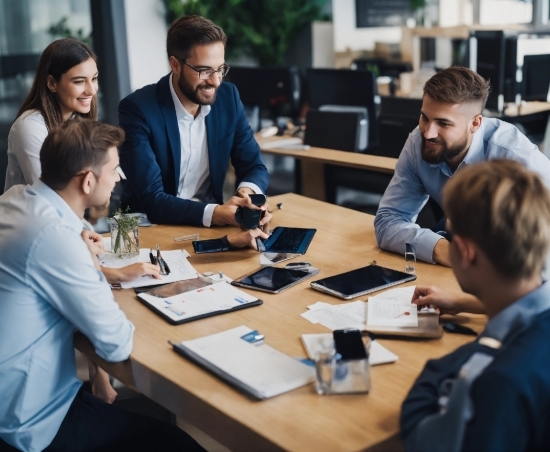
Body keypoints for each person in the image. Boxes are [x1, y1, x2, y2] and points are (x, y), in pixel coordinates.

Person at [0, 119, 203, 452]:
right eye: (115, 169)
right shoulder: (56, 239)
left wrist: (79, 241)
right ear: (88, 180)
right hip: (30, 423)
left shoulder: (16, 198)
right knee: (174, 442)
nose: (119, 177)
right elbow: (116, 344)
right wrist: (88, 260)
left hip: (17, 393)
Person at [401, 159, 550, 451]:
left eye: (448, 234)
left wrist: (449, 364)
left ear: (466, 252)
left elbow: (422, 433)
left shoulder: (493, 381)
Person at [374, 66, 550, 268]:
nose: (428, 133)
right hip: (461, 247)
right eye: (425, 118)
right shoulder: (418, 142)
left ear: (475, 123)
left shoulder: (514, 155)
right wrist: (444, 250)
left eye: (443, 123)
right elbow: (387, 221)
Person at [118, 15, 271, 234]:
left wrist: (247, 195)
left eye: (220, 69)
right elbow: (152, 199)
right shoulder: (137, 109)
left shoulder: (228, 98)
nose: (216, 81)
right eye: (204, 71)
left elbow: (254, 166)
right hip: (151, 227)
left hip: (211, 225)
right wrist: (217, 214)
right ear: (175, 64)